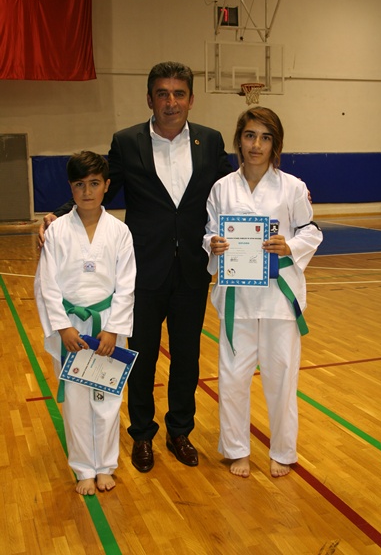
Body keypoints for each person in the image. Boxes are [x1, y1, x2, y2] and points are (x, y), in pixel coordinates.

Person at [38, 62, 233, 472]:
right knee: (140, 356)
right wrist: (59, 213)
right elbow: (100, 185)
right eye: (162, 93)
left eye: (179, 94)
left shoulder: (211, 141)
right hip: (144, 269)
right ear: (149, 99)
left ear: (191, 100)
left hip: (192, 269)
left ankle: (180, 431)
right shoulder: (127, 142)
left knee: (187, 356)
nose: (171, 102)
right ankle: (142, 433)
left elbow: (230, 193)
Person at [203, 107, 322, 479]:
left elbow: (311, 230)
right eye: (250, 135)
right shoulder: (222, 188)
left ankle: (283, 451)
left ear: (275, 145)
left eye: (265, 138)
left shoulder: (292, 187)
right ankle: (236, 449)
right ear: (239, 140)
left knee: (282, 378)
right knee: (232, 377)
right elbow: (209, 232)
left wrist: (290, 245)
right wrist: (213, 244)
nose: (256, 145)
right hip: (236, 298)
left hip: (277, 298)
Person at [35, 151, 136, 495]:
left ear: (107, 185)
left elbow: (126, 284)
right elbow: (47, 284)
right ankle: (83, 468)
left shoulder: (120, 231)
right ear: (70, 188)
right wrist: (62, 327)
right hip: (70, 328)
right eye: (80, 185)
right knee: (76, 401)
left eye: (94, 183)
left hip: (107, 325)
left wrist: (113, 329)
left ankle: (105, 465)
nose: (87, 191)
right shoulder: (57, 231)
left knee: (108, 398)